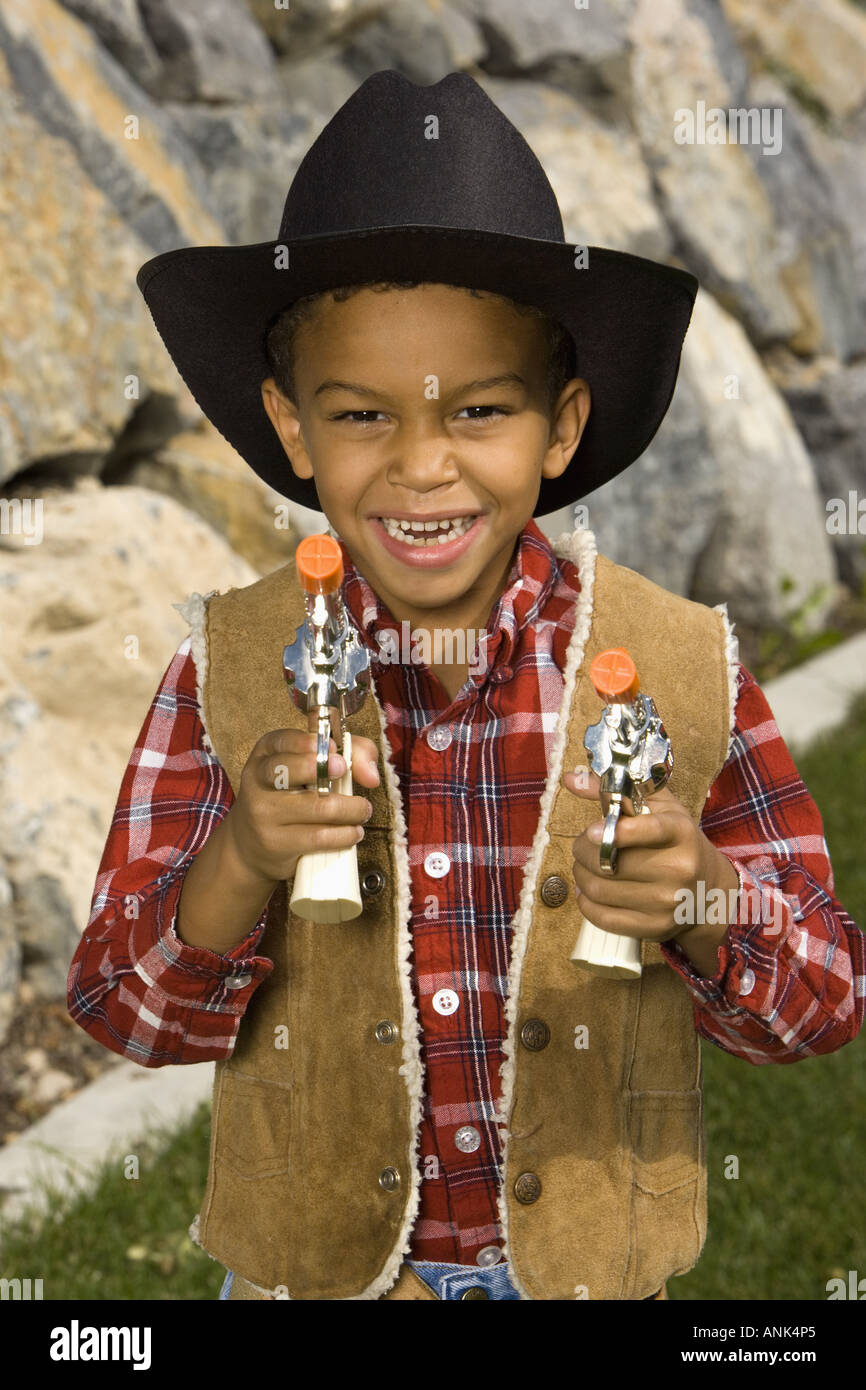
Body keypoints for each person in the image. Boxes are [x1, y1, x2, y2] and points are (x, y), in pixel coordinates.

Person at [68, 70, 863, 1302]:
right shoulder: (223, 667)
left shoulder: (681, 665)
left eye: (480, 409)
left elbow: (819, 1004)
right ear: (292, 430)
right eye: (361, 415)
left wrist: (706, 898)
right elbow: (124, 1011)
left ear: (559, 428)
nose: (422, 465)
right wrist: (241, 860)